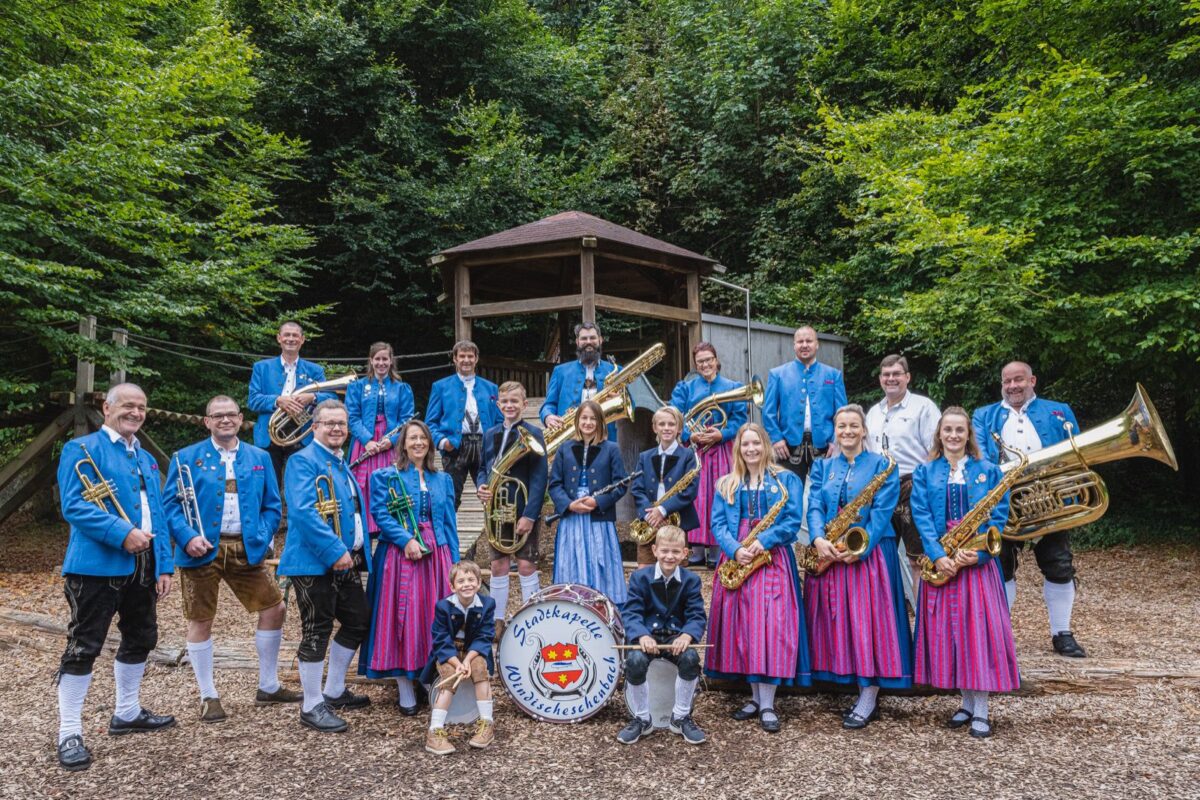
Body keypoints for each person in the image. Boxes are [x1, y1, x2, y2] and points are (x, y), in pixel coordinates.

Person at [53, 383, 176, 771]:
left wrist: (164, 564)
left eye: (141, 407)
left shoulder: (145, 458)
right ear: (107, 408)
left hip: (144, 565)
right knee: (84, 645)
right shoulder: (81, 449)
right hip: (95, 566)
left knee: (141, 637)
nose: (136, 412)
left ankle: (126, 712)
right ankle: (69, 732)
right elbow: (74, 506)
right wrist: (122, 533)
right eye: (128, 405)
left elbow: (157, 513)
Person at [164, 396, 299, 723]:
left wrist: (263, 536)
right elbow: (170, 506)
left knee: (275, 609)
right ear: (207, 421)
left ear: (240, 419)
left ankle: (268, 685)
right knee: (201, 619)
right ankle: (208, 694)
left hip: (246, 548)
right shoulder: (185, 458)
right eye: (217, 416)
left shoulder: (260, 457)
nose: (225, 420)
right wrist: (187, 537)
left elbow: (272, 506)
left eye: (231, 415)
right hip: (200, 550)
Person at [911, 407, 1020, 738]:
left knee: (977, 635)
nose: (954, 435)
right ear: (939, 434)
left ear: (968, 434)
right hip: (942, 563)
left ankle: (982, 709)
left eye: (960, 430)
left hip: (975, 564)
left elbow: (998, 517)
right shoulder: (924, 471)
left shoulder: (989, 470)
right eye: (948, 430)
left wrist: (981, 553)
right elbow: (921, 515)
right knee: (953, 636)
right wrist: (937, 555)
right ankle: (967, 703)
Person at [805, 404, 911, 730]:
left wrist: (859, 548)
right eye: (842, 426)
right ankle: (845, 679)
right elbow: (815, 506)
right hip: (830, 553)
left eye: (854, 425)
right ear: (835, 431)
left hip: (869, 554)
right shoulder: (823, 466)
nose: (848, 431)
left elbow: (882, 512)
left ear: (864, 430)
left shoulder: (883, 465)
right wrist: (818, 538)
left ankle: (869, 694)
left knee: (869, 623)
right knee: (840, 620)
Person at [972, 361, 1086, 658]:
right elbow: (981, 461)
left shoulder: (1058, 410)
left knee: (1059, 564)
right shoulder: (984, 415)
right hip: (1004, 505)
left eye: (1019, 379)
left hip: (1050, 502)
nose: (1013, 386)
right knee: (1001, 568)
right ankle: (1000, 634)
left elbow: (1078, 453)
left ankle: (1062, 633)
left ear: (1032, 380)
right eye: (1007, 381)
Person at [704, 422, 810, 733]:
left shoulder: (786, 479)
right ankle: (753, 697)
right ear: (738, 448)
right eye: (745, 444)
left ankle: (767, 703)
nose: (751, 449)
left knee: (771, 627)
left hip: (771, 558)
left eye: (756, 443)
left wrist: (765, 540)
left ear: (765, 445)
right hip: (738, 557)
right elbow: (717, 523)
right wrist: (735, 549)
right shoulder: (726, 483)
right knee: (745, 628)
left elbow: (792, 521)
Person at [278, 400, 372, 733]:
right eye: (329, 423)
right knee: (316, 630)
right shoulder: (302, 460)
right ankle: (311, 705)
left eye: (341, 424)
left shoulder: (339, 462)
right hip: (314, 563)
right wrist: (334, 551)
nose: (336, 428)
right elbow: (303, 511)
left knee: (359, 621)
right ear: (314, 426)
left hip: (344, 562)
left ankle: (333, 690)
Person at [363, 420, 460, 715]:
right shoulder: (385, 476)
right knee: (403, 619)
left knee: (433, 619)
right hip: (400, 556)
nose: (418, 442)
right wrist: (406, 540)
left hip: (437, 555)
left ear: (430, 444)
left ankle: (428, 677)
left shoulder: (442, 479)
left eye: (423, 438)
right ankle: (405, 685)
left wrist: (455, 563)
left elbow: (449, 522)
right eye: (412, 438)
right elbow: (380, 513)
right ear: (402, 444)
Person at [617, 525, 708, 746]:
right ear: (655, 550)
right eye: (665, 551)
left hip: (675, 638)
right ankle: (642, 718)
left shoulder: (691, 580)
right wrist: (641, 635)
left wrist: (687, 635)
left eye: (675, 552)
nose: (669, 556)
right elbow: (631, 612)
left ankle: (680, 716)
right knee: (635, 662)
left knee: (691, 659)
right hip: (648, 636)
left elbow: (696, 615)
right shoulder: (640, 577)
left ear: (684, 553)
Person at [863, 354, 940, 602]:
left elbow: (936, 450)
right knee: (879, 559)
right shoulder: (873, 413)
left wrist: (925, 487)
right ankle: (891, 622)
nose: (891, 379)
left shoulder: (923, 407)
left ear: (907, 377)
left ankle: (922, 622)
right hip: (879, 489)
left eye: (896, 374)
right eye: (886, 375)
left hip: (912, 485)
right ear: (880, 379)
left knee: (918, 559)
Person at [475, 381, 548, 637]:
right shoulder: (490, 434)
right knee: (498, 566)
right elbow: (483, 468)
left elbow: (539, 478)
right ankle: (496, 622)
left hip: (522, 508)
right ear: (498, 405)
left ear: (524, 404)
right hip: (497, 510)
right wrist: (482, 486)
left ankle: (533, 617)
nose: (509, 405)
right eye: (505, 402)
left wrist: (530, 515)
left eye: (514, 401)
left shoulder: (534, 433)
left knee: (526, 565)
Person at [669, 342, 747, 567]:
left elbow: (739, 419)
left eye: (708, 360)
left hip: (722, 449)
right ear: (696, 364)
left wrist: (722, 434)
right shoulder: (686, 388)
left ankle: (717, 549)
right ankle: (695, 551)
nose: (705, 364)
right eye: (700, 361)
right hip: (695, 450)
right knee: (696, 497)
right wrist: (689, 435)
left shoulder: (732, 387)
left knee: (720, 496)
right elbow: (675, 416)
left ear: (716, 360)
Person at [547, 399, 629, 603]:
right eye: (584, 418)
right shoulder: (565, 448)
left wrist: (597, 501)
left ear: (600, 422)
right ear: (577, 421)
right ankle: (571, 603)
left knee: (599, 558)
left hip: (598, 517)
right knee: (571, 558)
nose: (588, 423)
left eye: (593, 419)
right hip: (572, 516)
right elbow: (555, 484)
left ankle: (602, 605)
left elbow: (620, 484)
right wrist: (569, 504)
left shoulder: (611, 448)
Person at [419, 561, 497, 755]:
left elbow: (484, 636)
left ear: (479, 583)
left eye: (471, 580)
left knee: (480, 670)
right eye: (461, 581)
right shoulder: (443, 606)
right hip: (450, 651)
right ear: (452, 586)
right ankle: (435, 731)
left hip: (473, 651)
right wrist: (457, 663)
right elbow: (441, 639)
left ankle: (486, 724)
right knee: (449, 677)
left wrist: (468, 660)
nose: (467, 584)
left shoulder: (487, 604)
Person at [247, 321, 330, 482]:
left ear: (302, 339)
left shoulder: (315, 370)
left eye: (295, 335)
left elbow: (330, 397)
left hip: (302, 435)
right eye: (286, 335)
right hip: (269, 436)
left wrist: (313, 397)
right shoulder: (261, 367)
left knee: (301, 484)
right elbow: (253, 400)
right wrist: (278, 400)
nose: (290, 339)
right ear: (279, 338)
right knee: (268, 486)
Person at [762, 325, 847, 485]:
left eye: (809, 341)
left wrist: (836, 441)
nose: (805, 345)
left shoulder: (833, 375)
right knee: (788, 492)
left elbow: (842, 413)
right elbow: (768, 412)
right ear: (794, 345)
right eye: (800, 341)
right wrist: (776, 439)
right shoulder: (777, 374)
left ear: (817, 344)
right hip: (787, 447)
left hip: (826, 446)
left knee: (827, 492)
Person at [345, 342, 415, 536]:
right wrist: (367, 440)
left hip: (392, 443)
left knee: (392, 483)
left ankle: (391, 529)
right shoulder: (357, 387)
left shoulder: (402, 388)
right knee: (364, 484)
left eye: (385, 359)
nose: (381, 363)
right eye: (377, 359)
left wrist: (392, 441)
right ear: (371, 360)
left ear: (391, 361)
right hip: (364, 443)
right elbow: (352, 417)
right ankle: (366, 530)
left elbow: (407, 419)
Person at [425, 341, 502, 509]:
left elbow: (499, 420)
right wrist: (443, 442)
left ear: (476, 359)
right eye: (462, 356)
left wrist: (495, 443)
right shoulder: (440, 387)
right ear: (455, 359)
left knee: (492, 495)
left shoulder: (491, 388)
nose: (466, 360)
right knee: (450, 498)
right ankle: (449, 527)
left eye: (470, 356)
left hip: (485, 446)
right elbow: (430, 422)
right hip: (454, 446)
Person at [630, 406, 699, 567]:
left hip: (677, 522)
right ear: (655, 428)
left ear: (679, 428)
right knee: (644, 571)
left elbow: (690, 490)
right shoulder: (645, 457)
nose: (666, 428)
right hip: (649, 522)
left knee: (675, 572)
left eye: (671, 424)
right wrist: (649, 514)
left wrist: (662, 510)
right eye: (662, 424)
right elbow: (637, 489)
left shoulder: (688, 456)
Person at [541, 322, 620, 440]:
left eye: (592, 338)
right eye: (584, 338)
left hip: (606, 440)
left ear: (600, 340)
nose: (588, 342)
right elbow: (549, 404)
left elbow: (631, 405)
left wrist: (620, 398)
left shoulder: (615, 370)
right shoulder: (560, 371)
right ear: (577, 342)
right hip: (568, 440)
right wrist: (547, 416)